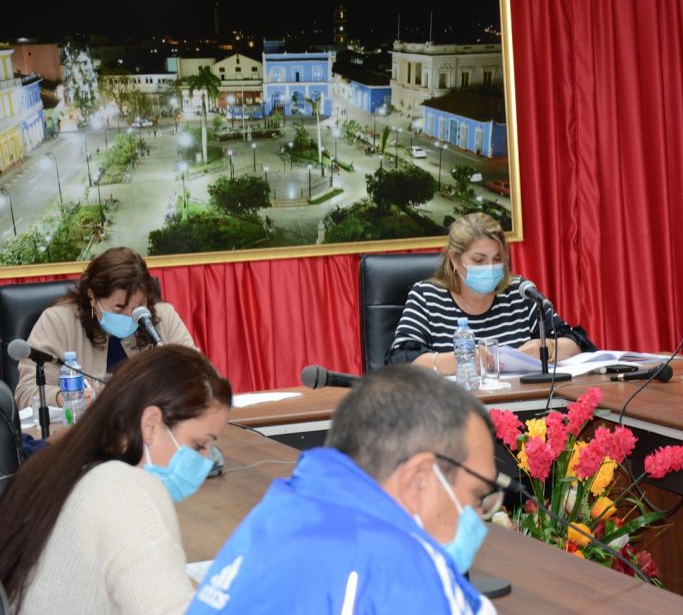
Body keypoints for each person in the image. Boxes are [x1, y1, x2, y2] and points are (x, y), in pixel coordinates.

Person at [188, 365, 498, 614]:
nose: (476, 517)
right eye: (475, 495)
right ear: (418, 479)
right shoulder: (402, 566)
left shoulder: (277, 512)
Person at [0, 345, 232, 613]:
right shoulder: (125, 492)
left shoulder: (63, 468)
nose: (207, 459)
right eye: (198, 445)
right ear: (152, 424)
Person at [386, 212, 593, 373]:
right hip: (452, 414)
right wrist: (462, 360)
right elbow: (399, 360)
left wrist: (546, 348)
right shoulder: (427, 297)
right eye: (479, 260)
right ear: (454, 259)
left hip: (522, 410)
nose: (491, 267)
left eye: (497, 259)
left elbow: (577, 344)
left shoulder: (519, 292)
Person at [15, 246, 196, 408]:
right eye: (119, 308)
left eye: (138, 306)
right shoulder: (58, 321)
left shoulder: (163, 316)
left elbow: (200, 374)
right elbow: (26, 393)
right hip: (85, 435)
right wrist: (62, 398)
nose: (129, 316)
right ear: (93, 297)